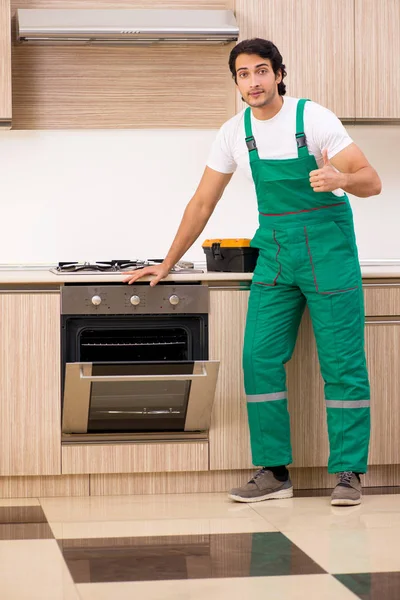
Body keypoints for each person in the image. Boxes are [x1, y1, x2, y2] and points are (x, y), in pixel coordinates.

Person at [123, 38, 382, 507]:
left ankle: (348, 472)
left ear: (279, 74)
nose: (253, 82)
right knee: (258, 359)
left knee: (342, 364)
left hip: (329, 254)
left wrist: (341, 180)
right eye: (243, 74)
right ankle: (274, 470)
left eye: (261, 71)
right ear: (237, 83)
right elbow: (203, 202)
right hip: (277, 257)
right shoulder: (234, 133)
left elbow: (371, 180)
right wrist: (166, 261)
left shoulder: (313, 119)